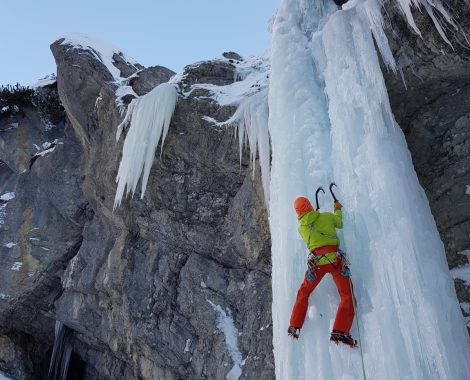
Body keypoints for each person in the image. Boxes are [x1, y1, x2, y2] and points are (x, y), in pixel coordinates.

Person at [287, 196, 356, 347]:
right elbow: (339, 222)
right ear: (310, 205)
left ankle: (294, 326)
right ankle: (340, 331)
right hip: (335, 262)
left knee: (303, 293)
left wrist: (314, 217)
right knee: (346, 295)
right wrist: (337, 209)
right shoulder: (326, 217)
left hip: (317, 265)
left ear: (298, 213)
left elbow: (312, 226)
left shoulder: (302, 229)